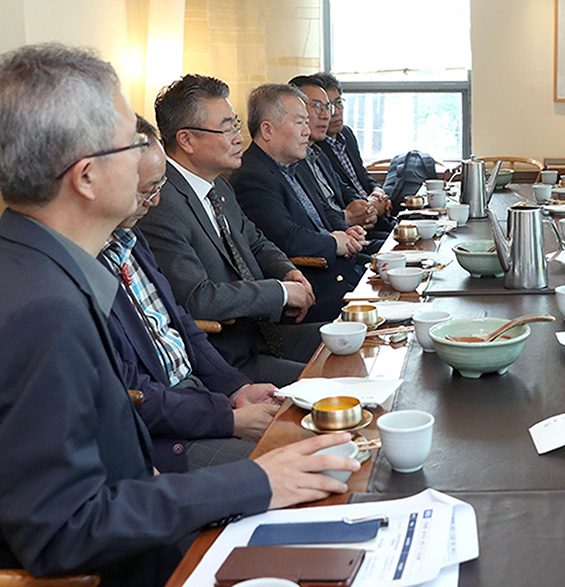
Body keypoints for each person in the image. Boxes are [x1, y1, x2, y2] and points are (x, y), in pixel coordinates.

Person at [0, 44, 358, 585]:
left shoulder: (41, 265)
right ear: (87, 177)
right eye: (133, 144)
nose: (154, 158)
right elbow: (65, 529)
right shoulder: (43, 309)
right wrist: (258, 481)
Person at [101, 118, 281, 473]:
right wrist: (229, 419)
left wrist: (236, 390)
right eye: (145, 190)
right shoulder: (84, 266)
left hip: (201, 396)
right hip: (167, 436)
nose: (153, 202)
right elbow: (132, 393)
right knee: (293, 467)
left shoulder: (130, 238)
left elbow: (180, 322)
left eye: (160, 187)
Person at [139, 74, 321, 387]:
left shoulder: (218, 187)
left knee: (356, 344)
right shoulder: (161, 204)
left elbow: (256, 240)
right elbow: (197, 299)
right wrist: (279, 292)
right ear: (187, 140)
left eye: (236, 125)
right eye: (227, 128)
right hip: (229, 360)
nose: (239, 137)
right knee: (334, 381)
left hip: (267, 335)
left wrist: (287, 271)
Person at [229, 83, 373, 322]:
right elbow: (286, 239)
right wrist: (333, 242)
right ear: (267, 130)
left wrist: (347, 231)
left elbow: (326, 212)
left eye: (307, 122)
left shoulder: (297, 164)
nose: (307, 131)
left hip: (345, 266)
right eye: (300, 123)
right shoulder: (251, 176)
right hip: (317, 286)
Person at [288, 74, 392, 238]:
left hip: (359, 225)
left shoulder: (318, 150)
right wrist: (355, 215)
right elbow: (317, 215)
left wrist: (374, 198)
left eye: (332, 105)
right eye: (317, 106)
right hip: (342, 237)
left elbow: (347, 185)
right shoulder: (296, 157)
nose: (329, 114)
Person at [311, 72, 392, 222]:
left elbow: (362, 175)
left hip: (372, 212)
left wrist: (378, 192)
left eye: (338, 103)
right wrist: (371, 207)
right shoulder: (315, 147)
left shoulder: (346, 134)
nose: (335, 112)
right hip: (356, 222)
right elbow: (340, 194)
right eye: (327, 106)